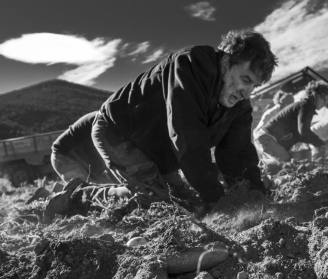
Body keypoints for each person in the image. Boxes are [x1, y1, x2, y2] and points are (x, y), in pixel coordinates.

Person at [44, 29, 277, 223]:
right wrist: (218, 198)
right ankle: (76, 197)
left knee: (186, 205)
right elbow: (187, 133)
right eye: (246, 79)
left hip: (160, 151)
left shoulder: (239, 103)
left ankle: (129, 193)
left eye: (254, 86)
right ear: (226, 63)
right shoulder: (191, 64)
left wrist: (254, 193)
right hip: (121, 133)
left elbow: (239, 152)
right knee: (158, 204)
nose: (247, 92)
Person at [253, 81, 328, 164]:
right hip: (267, 138)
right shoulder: (306, 106)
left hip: (265, 138)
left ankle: (259, 166)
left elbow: (301, 135)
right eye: (324, 99)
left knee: (284, 163)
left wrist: (319, 143)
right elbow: (303, 130)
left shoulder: (303, 106)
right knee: (288, 163)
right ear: (316, 95)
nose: (325, 103)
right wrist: (320, 143)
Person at [50, 111, 115, 184]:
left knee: (108, 187)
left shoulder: (109, 118)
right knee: (88, 191)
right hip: (65, 157)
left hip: (84, 160)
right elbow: (112, 159)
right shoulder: (103, 121)